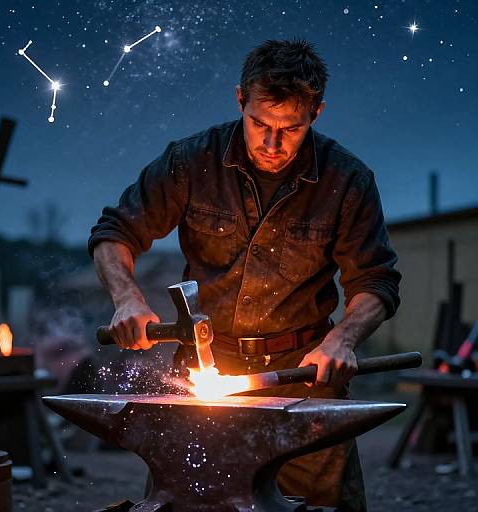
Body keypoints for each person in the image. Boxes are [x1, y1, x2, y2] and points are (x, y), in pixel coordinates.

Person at [88, 39, 401, 511]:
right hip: (202, 375)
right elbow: (115, 232)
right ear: (240, 99)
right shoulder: (190, 162)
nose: (272, 143)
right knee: (191, 501)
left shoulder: (347, 181)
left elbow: (376, 281)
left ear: (316, 113)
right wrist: (127, 298)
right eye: (259, 124)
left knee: (318, 504)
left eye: (290, 128)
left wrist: (343, 340)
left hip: (300, 381)